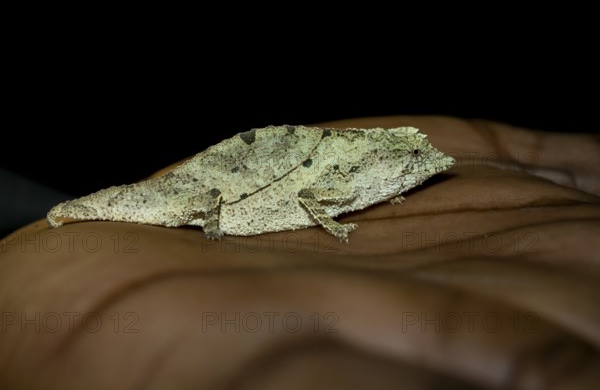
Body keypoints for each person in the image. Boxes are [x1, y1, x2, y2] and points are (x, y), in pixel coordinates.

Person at [1, 116, 599, 389]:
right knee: (112, 205)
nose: (425, 170)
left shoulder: (378, 166)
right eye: (412, 165)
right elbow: (316, 195)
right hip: (210, 188)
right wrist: (337, 228)